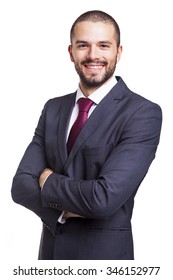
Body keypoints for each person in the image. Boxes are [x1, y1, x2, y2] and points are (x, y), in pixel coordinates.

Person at [11, 10, 162, 260]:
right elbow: (20, 186)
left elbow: (103, 199)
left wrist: (47, 181)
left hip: (104, 261)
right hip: (50, 260)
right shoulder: (53, 109)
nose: (93, 55)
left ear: (118, 51)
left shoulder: (142, 113)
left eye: (104, 45)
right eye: (83, 45)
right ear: (71, 52)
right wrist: (62, 211)